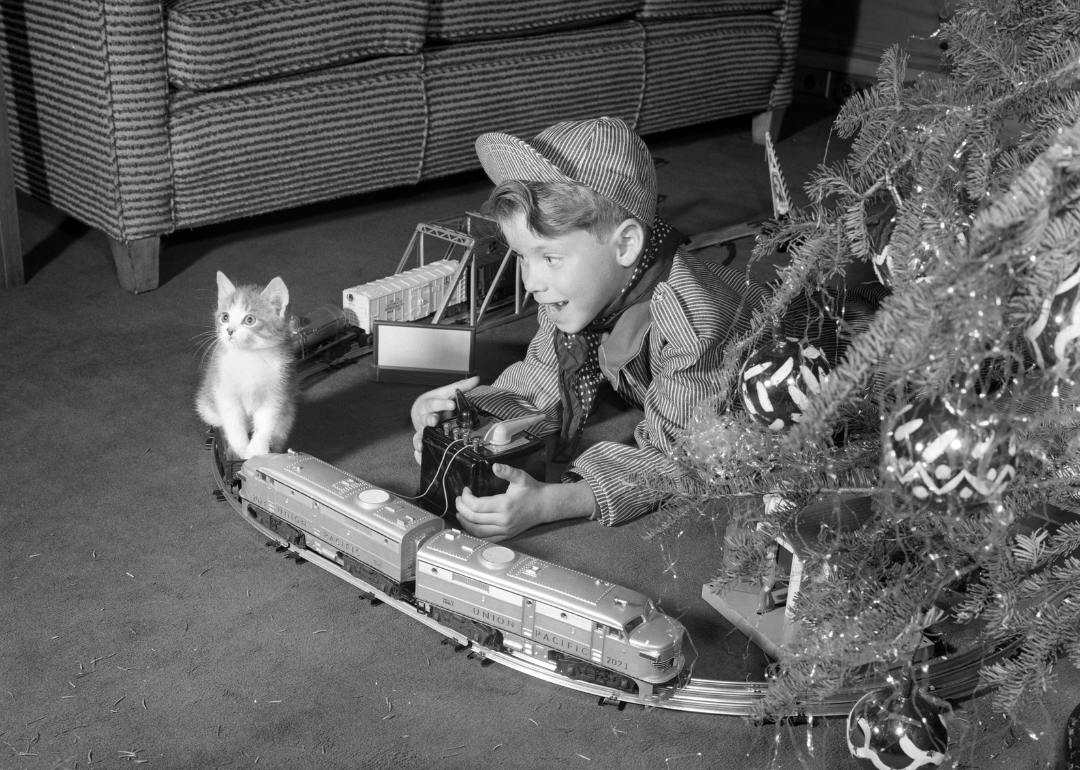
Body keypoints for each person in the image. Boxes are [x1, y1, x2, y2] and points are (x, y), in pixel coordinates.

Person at [410, 116, 770, 541]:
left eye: (550, 257)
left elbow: (684, 457)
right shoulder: (572, 298)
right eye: (523, 257)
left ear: (626, 245)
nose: (532, 282)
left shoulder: (695, 325)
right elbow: (541, 380)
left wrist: (552, 503)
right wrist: (466, 420)